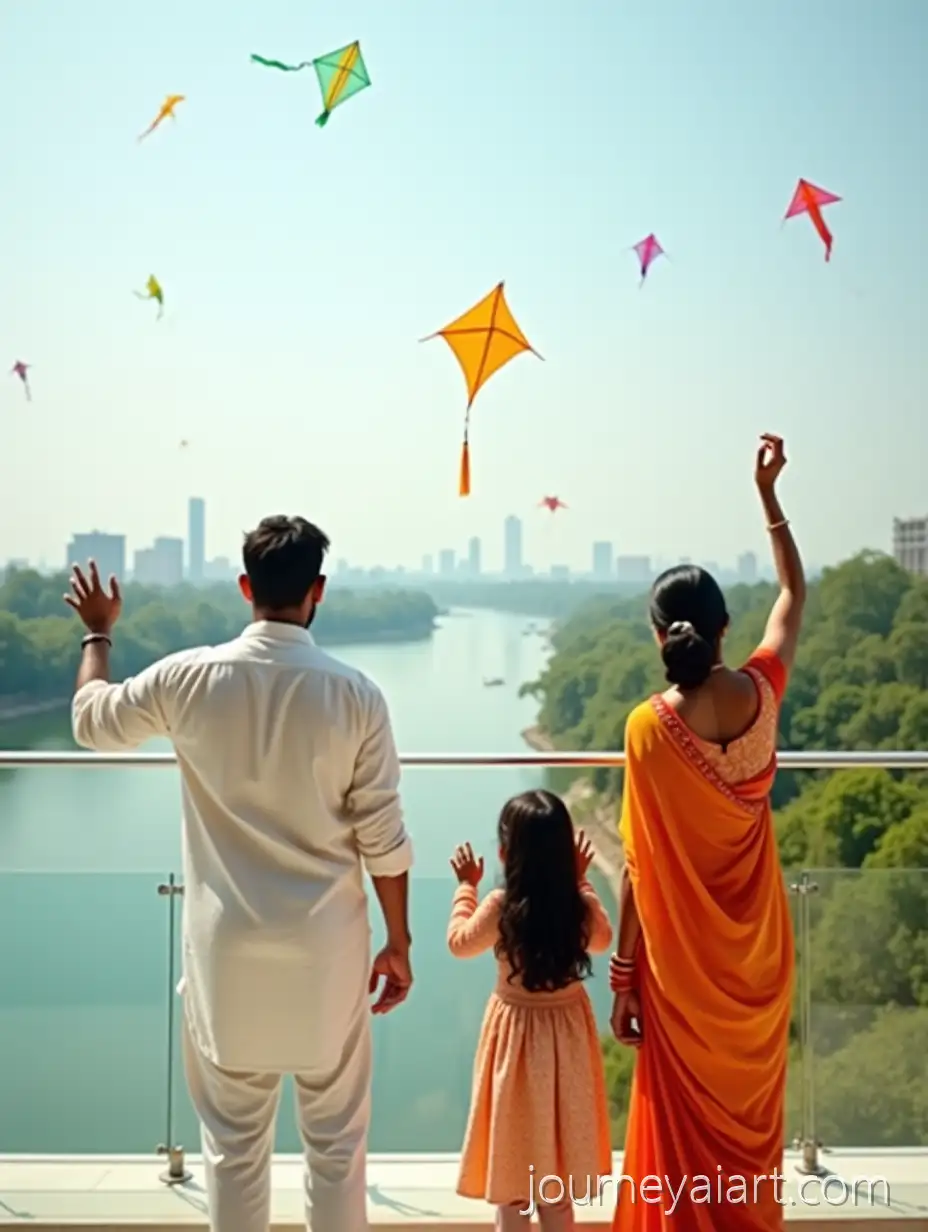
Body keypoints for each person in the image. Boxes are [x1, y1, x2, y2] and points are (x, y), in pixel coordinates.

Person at [66, 515, 414, 1232]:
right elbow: (383, 838)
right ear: (319, 590)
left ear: (245, 587)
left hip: (226, 960)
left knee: (232, 1151)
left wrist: (98, 633)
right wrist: (399, 942)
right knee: (336, 1147)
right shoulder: (357, 695)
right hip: (326, 954)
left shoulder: (189, 678)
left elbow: (91, 723)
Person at [609, 434, 805, 1232]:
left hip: (682, 971)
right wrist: (768, 495)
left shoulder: (647, 728)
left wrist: (624, 975)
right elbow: (792, 593)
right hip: (759, 957)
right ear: (725, 627)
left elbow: (637, 864)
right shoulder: (765, 691)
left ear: (660, 637)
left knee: (682, 1139)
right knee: (750, 1129)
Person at [447, 790, 613, 1231]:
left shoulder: (500, 908)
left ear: (506, 853)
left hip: (514, 1042)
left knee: (512, 1185)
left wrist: (466, 888)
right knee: (555, 1186)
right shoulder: (578, 907)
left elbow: (459, 943)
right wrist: (582, 882)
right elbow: (603, 939)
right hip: (566, 1041)